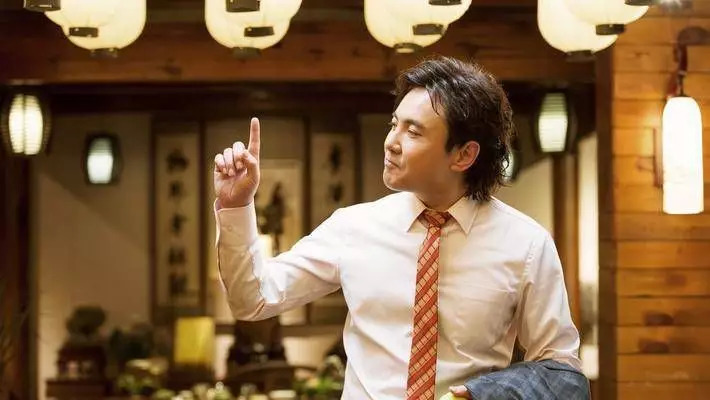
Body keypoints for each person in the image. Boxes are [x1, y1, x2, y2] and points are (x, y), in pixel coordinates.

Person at [213, 56, 581, 399]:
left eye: (413, 132)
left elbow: (561, 373)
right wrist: (235, 205)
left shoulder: (525, 244)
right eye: (394, 124)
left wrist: (482, 394)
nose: (391, 142)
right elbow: (253, 299)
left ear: (464, 154)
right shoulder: (354, 227)